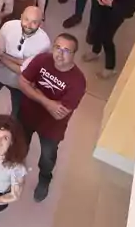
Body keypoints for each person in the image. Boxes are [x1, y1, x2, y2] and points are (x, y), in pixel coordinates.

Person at [19, 33, 86, 202]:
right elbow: (23, 82)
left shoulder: (78, 81)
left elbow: (60, 112)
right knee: (19, 146)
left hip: (51, 127)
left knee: (47, 157)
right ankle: (14, 174)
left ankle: (44, 179)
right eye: (57, 47)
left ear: (73, 54)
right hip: (27, 114)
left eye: (66, 50)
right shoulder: (42, 60)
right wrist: (47, 102)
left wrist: (36, 91)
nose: (60, 54)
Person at [0, 6, 51, 117]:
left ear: (40, 24)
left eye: (34, 22)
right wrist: (20, 62)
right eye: (26, 19)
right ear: (21, 17)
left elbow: (27, 70)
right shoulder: (8, 27)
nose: (28, 25)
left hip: (21, 84)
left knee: (17, 115)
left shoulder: (44, 43)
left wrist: (3, 56)